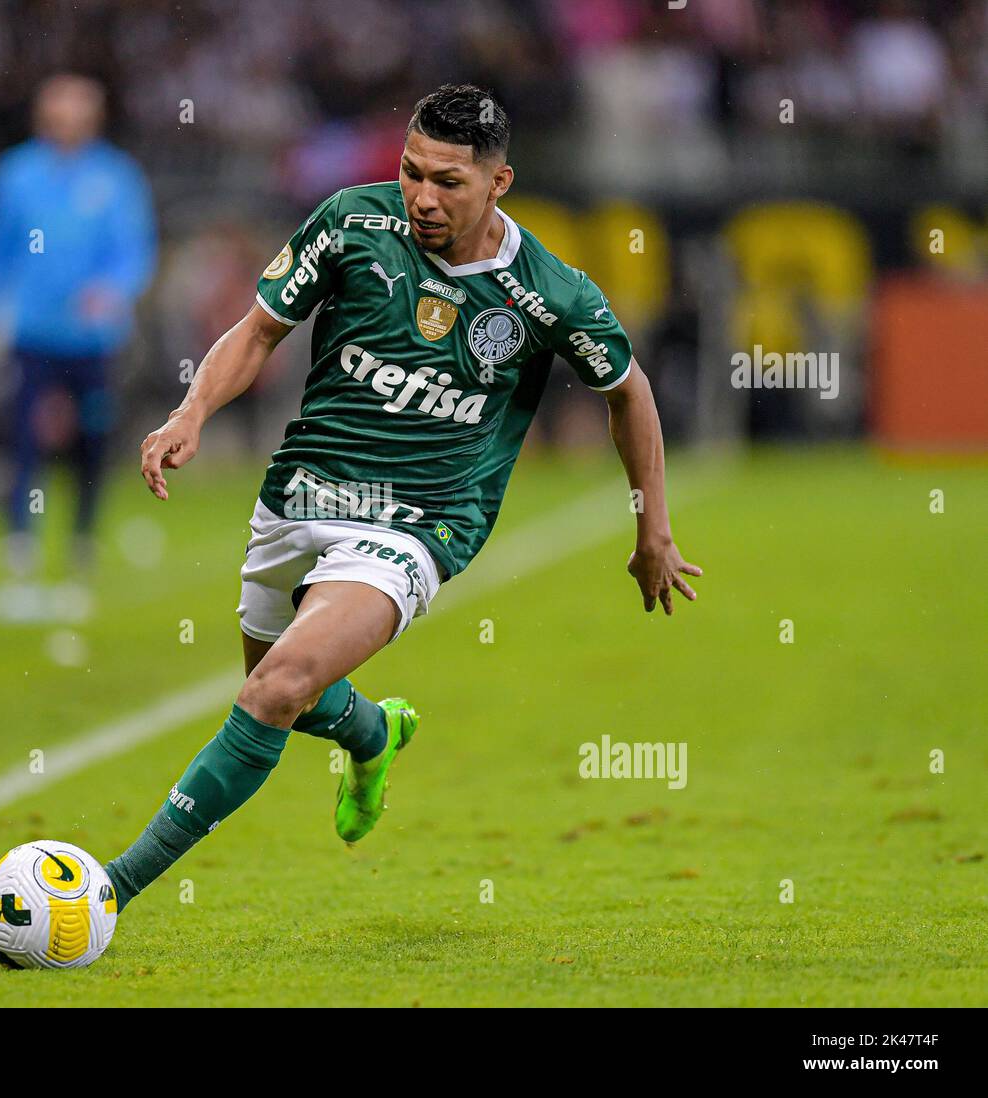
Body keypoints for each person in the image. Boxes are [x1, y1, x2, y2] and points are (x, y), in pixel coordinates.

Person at [104, 84, 702, 911]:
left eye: (449, 182)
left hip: (422, 522)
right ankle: (374, 733)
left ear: (499, 184)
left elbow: (629, 393)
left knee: (273, 690)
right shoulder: (351, 220)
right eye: (412, 172)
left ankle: (107, 893)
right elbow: (258, 331)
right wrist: (191, 410)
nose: (423, 196)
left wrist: (653, 531)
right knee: (295, 697)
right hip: (300, 496)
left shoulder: (550, 293)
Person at [0, 73, 157, 577]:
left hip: (94, 339)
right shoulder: (15, 174)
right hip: (31, 332)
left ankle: (82, 537)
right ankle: (19, 537)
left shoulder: (116, 177)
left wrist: (113, 290)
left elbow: (133, 250)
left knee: (93, 441)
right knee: (22, 438)